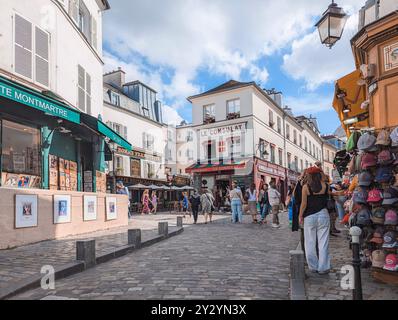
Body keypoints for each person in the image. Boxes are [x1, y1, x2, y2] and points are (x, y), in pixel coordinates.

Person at [299, 166, 331, 275]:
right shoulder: (326, 186)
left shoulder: (305, 187)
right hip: (323, 214)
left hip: (309, 216)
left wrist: (300, 216)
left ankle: (313, 266)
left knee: (310, 242)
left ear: (309, 175)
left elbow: (304, 204)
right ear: (319, 175)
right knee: (323, 242)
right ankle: (323, 267)